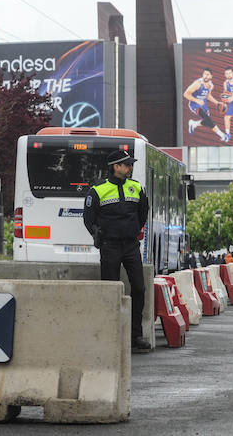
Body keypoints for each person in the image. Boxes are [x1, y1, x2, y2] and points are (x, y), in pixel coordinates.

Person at [83, 149, 152, 352]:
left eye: (131, 164)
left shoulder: (137, 188)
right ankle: (111, 335)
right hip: (110, 246)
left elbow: (143, 213)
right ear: (116, 167)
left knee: (139, 288)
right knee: (111, 290)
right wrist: (100, 237)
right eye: (127, 164)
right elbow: (89, 218)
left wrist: (133, 230)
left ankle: (135, 336)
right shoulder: (98, 190)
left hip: (131, 245)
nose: (130, 168)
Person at [184, 68, 227, 141]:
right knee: (209, 120)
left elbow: (208, 96)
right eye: (204, 74)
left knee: (206, 122)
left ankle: (193, 123)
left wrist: (217, 102)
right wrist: (196, 100)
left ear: (211, 76)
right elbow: (185, 94)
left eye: (207, 74)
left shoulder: (211, 85)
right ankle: (223, 135)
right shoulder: (197, 84)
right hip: (195, 104)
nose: (205, 76)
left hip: (203, 104)